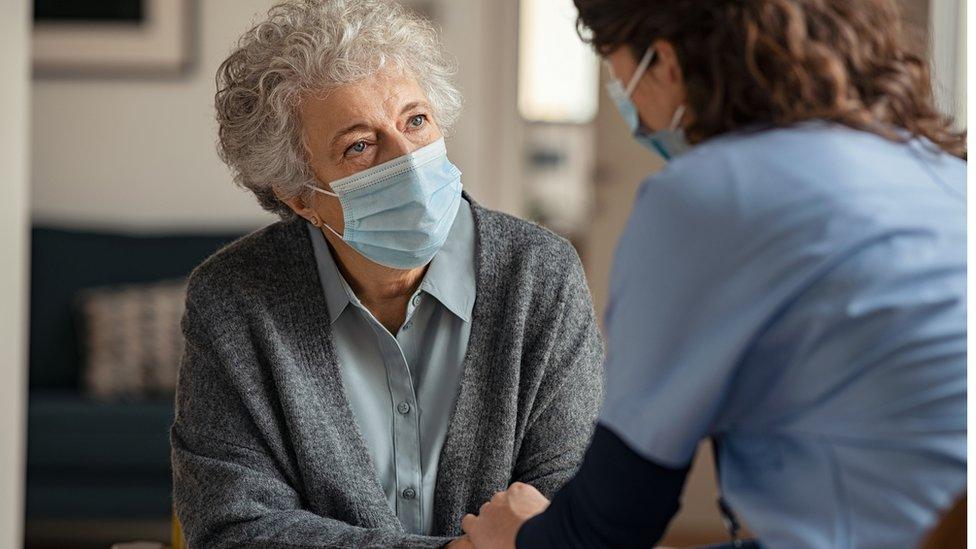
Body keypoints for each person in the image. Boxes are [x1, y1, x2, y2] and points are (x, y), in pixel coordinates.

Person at [462, 0, 966, 547]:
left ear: (666, 62)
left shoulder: (711, 193)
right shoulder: (939, 167)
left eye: (616, 66)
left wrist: (518, 534)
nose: (625, 96)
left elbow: (610, 526)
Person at [169, 1, 604, 546]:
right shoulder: (233, 298)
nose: (408, 160)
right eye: (360, 145)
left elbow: (571, 506)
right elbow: (234, 528)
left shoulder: (541, 275)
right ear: (301, 196)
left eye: (415, 121)